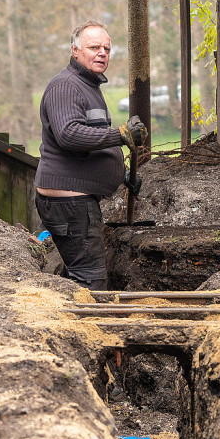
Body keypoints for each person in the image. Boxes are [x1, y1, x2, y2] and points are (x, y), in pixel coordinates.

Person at [34, 20, 147, 290]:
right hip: (70, 203)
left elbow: (92, 140)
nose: (102, 53)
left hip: (76, 201)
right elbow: (69, 134)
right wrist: (121, 135)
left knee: (80, 274)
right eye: (94, 47)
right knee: (90, 280)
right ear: (75, 51)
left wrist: (121, 174)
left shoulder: (87, 86)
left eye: (106, 48)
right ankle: (83, 317)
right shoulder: (65, 86)